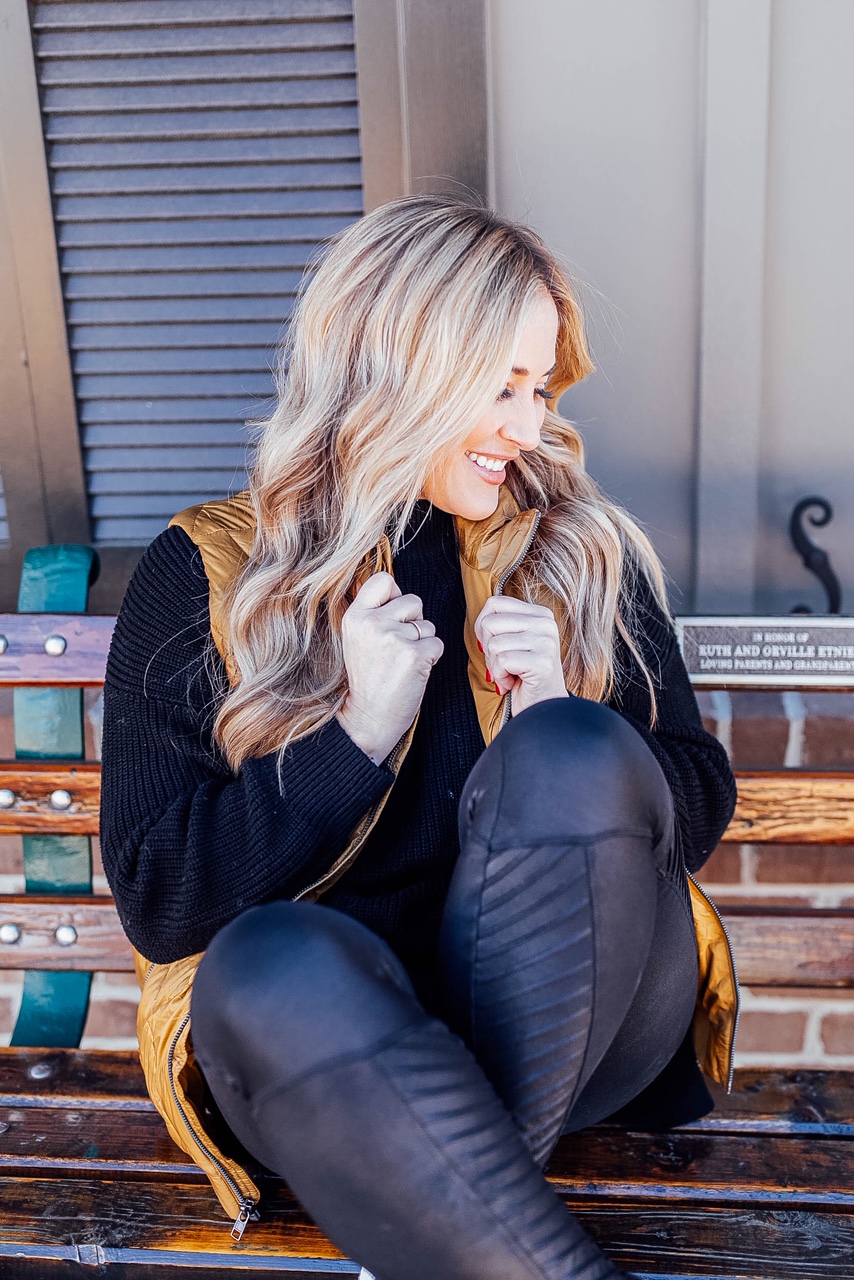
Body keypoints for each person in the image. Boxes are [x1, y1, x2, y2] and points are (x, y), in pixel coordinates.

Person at [101, 196, 737, 1280]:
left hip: (591, 1022)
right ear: (390, 370)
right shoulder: (207, 570)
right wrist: (352, 737)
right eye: (497, 387)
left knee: (572, 753)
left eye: (537, 388)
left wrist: (555, 723)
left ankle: (444, 1198)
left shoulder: (579, 549)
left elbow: (695, 790)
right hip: (337, 1060)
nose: (528, 427)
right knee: (260, 961)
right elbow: (165, 904)